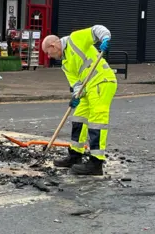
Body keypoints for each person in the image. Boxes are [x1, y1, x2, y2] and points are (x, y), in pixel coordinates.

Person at [41, 25, 117, 176]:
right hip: (88, 88)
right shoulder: (65, 64)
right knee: (78, 118)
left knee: (97, 122)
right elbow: (76, 85)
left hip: (102, 82)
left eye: (47, 52)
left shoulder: (75, 39)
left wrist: (105, 38)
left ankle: (96, 163)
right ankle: (75, 156)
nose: (48, 56)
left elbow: (97, 30)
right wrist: (76, 97)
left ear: (53, 45)